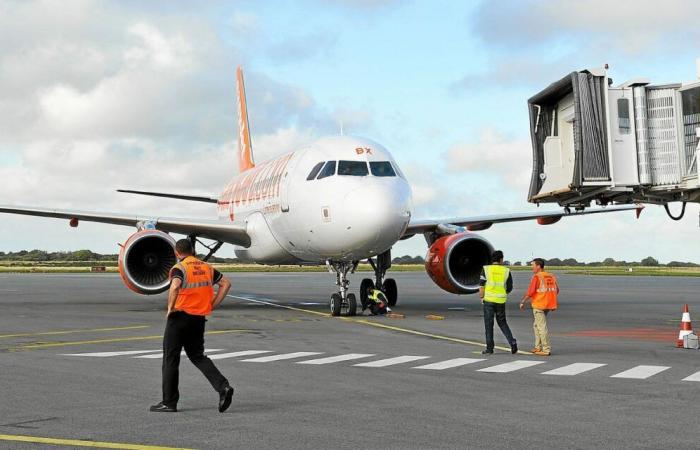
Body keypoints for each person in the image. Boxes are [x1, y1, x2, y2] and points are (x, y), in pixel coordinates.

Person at [150, 239, 234, 413]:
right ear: (193, 250)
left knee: (171, 358)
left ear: (177, 252)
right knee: (198, 356)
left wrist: (170, 308)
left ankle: (169, 402)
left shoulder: (179, 268)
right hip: (198, 319)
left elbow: (174, 287)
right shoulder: (206, 267)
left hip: (179, 317)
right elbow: (226, 283)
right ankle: (223, 387)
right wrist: (212, 304)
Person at [479, 250, 517, 355]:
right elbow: (509, 287)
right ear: (501, 260)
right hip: (500, 300)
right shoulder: (506, 271)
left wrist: (482, 297)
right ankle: (512, 342)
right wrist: (503, 293)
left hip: (489, 300)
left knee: (489, 324)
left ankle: (489, 348)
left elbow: (481, 285)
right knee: (502, 323)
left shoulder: (486, 269)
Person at [519, 258, 559, 356]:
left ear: (538, 266)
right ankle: (538, 347)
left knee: (541, 327)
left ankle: (546, 349)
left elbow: (530, 292)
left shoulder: (537, 277)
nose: (531, 267)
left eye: (533, 265)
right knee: (536, 325)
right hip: (548, 305)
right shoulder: (550, 276)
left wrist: (523, 301)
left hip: (539, 305)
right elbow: (556, 290)